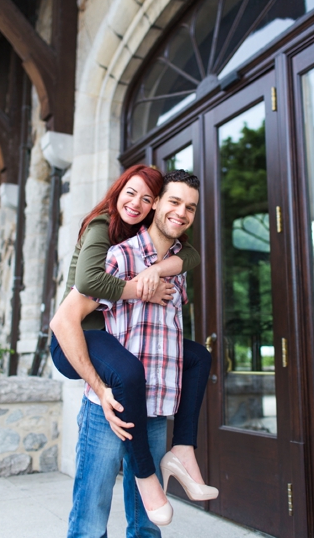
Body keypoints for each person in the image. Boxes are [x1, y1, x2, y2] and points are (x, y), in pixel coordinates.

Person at [50, 165, 216, 520]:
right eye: (131, 193)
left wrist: (156, 270)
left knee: (198, 356)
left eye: (146, 198)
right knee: (126, 372)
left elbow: (192, 257)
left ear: (151, 203)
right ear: (118, 191)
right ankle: (145, 475)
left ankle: (183, 450)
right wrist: (141, 288)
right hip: (75, 339)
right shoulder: (106, 235)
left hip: (131, 361)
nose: (137, 203)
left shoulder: (171, 253)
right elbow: (67, 315)